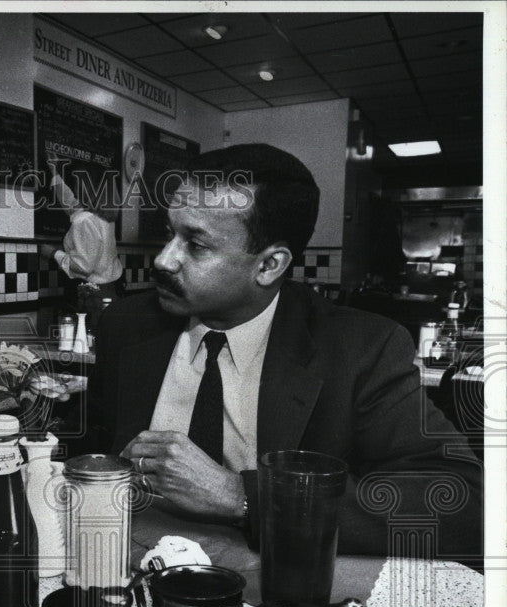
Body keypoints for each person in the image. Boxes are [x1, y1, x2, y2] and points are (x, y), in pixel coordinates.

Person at [88, 143, 482, 566]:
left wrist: (243, 497)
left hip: (278, 587)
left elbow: (461, 502)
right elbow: (91, 457)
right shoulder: (125, 327)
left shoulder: (360, 349)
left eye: (196, 245)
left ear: (269, 265)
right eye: (170, 234)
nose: (164, 261)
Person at [38, 160, 125, 329]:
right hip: (111, 290)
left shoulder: (84, 221)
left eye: (78, 183)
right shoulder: (102, 216)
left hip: (91, 295)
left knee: (87, 346)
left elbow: (83, 266)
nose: (75, 189)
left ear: (87, 189)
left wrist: (53, 252)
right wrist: (54, 173)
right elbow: (69, 201)